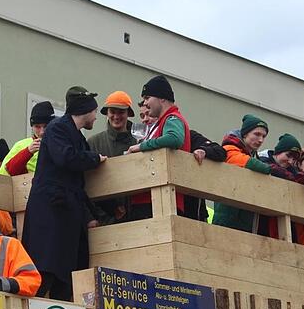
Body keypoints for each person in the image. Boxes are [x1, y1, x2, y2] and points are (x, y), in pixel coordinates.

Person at [22, 86, 107, 301]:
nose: (96, 117)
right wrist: (94, 159)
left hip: (66, 215)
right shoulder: (57, 128)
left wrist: (91, 216)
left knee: (65, 278)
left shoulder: (76, 137)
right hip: (51, 214)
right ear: (86, 110)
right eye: (95, 112)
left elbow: (78, 184)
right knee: (45, 272)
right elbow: (66, 158)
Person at [126, 76, 192, 219]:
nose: (145, 103)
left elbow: (175, 138)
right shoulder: (162, 122)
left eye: (147, 97)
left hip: (160, 201)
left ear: (162, 98)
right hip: (153, 199)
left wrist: (141, 146)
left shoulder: (172, 118)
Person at [254, 133, 304, 236]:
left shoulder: (292, 171)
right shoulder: (261, 160)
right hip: (259, 219)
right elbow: (274, 170)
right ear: (278, 151)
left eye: (294, 159)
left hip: (281, 221)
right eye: (288, 155)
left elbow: (302, 178)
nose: (290, 161)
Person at [212, 114, 275, 232]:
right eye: (256, 134)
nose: (260, 140)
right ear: (245, 134)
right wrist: (271, 169)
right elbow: (250, 163)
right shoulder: (229, 148)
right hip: (227, 215)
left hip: (246, 216)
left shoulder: (254, 155)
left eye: (263, 136)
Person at [87, 91, 138, 224]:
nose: (116, 116)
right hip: (103, 219)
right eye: (112, 112)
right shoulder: (93, 143)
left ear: (128, 114)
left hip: (136, 215)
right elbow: (87, 184)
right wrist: (102, 217)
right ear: (107, 113)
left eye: (121, 112)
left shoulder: (139, 142)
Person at [0, 101, 56, 176]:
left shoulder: (62, 144)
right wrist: (28, 152)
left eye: (46, 126)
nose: (42, 132)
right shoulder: (21, 145)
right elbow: (6, 173)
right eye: (37, 127)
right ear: (32, 127)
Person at [184, 130, 227, 221]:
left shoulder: (188, 135)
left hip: (194, 212)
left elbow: (220, 151)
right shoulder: (149, 137)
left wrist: (203, 150)